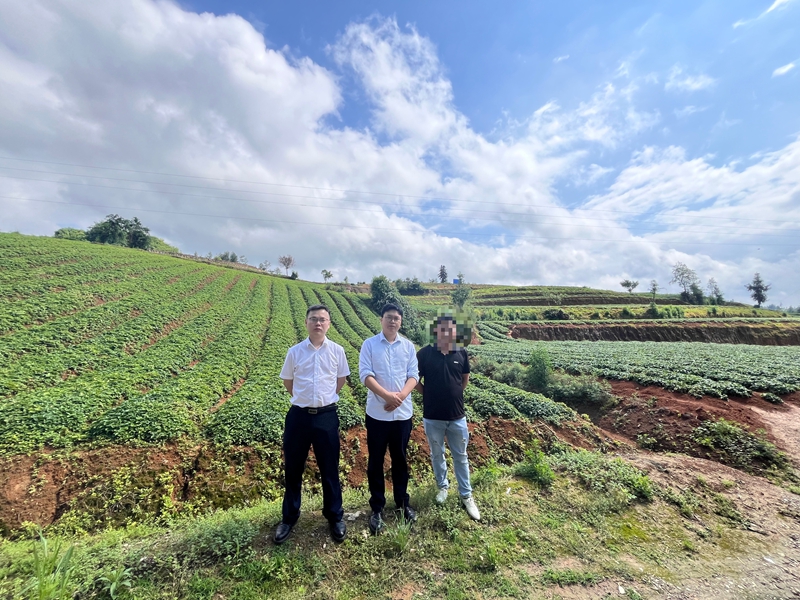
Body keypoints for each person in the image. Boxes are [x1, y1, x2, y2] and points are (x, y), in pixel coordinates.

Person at [274, 304, 350, 544]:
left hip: (327, 416)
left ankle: (334, 516)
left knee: (329, 468)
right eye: (314, 319)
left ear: (329, 324)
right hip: (299, 416)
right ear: (306, 322)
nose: (318, 323)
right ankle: (289, 517)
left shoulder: (337, 351)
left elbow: (341, 380)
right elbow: (288, 381)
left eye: (323, 319)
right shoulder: (295, 352)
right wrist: (305, 399)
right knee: (293, 469)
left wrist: (323, 400)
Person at [359, 303, 420, 534]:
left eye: (396, 318)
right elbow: (365, 374)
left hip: (402, 415)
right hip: (377, 414)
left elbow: (414, 374)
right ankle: (377, 508)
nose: (392, 321)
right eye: (388, 317)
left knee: (400, 460)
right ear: (381, 319)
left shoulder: (408, 346)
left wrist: (401, 397)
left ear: (400, 321)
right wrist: (387, 396)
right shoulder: (370, 345)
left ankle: (403, 503)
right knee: (375, 461)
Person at [415, 314, 480, 520]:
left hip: (457, 416)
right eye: (442, 329)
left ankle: (466, 495)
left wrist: (453, 394)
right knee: (437, 454)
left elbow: (464, 379)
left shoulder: (461, 352)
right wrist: (429, 393)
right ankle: (443, 487)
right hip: (432, 416)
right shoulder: (425, 354)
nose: (446, 333)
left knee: (461, 456)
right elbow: (415, 380)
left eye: (450, 329)